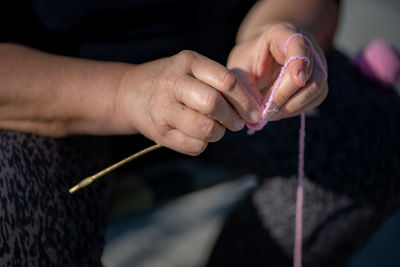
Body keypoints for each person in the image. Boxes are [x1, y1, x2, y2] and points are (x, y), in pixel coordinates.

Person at [1, 0, 399, 266]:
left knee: (376, 144)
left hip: (234, 82)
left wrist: (271, 32)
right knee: (19, 229)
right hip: (47, 95)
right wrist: (122, 93)